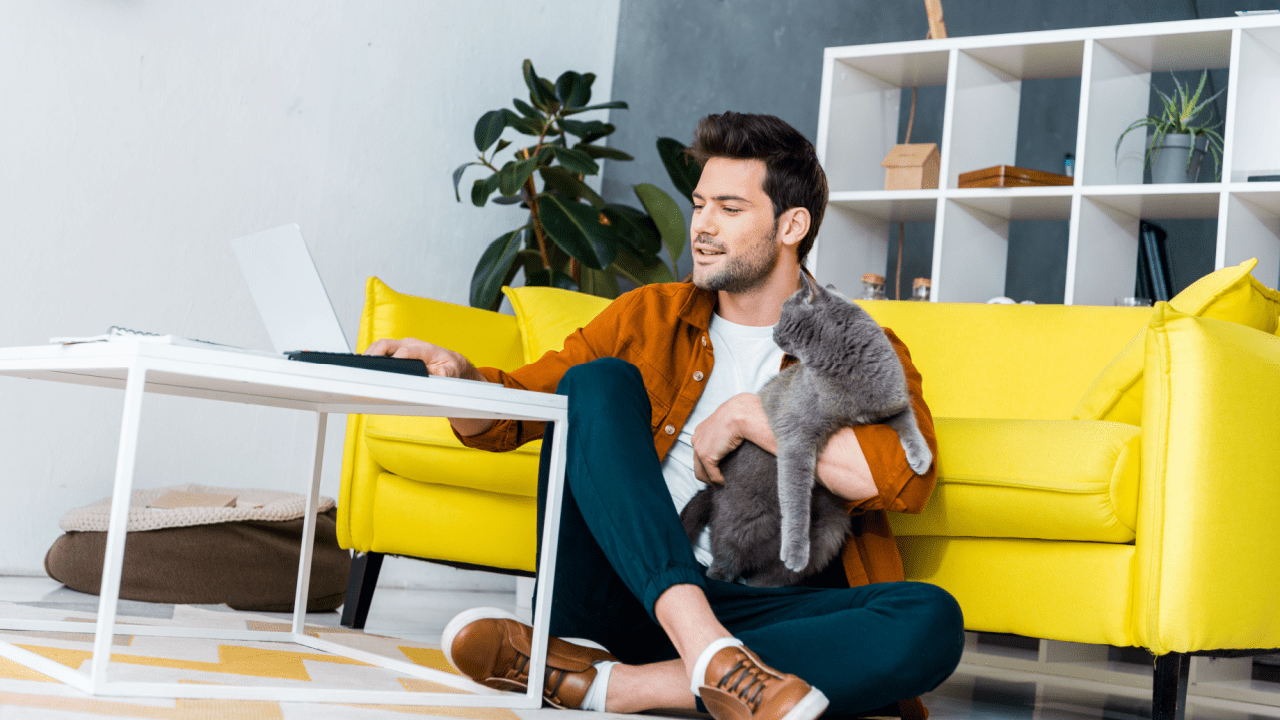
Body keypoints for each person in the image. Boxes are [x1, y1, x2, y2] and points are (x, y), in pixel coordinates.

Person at [366, 112, 964, 720]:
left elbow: (903, 476)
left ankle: (610, 687)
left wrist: (753, 417)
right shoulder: (646, 316)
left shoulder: (856, 345)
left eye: (729, 208)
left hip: (757, 613)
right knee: (596, 381)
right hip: (627, 595)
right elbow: (510, 416)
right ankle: (707, 654)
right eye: (700, 204)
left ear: (792, 225)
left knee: (930, 619)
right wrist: (459, 378)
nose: (702, 225)